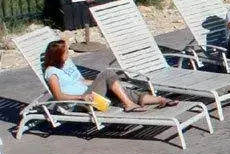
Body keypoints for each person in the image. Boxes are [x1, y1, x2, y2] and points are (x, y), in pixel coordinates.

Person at [40, 39, 173, 112]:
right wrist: (81, 96)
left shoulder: (65, 65)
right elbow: (58, 96)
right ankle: (128, 104)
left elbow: (80, 81)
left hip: (89, 95)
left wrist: (102, 83)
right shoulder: (51, 72)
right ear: (57, 56)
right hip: (80, 103)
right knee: (108, 72)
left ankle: (160, 100)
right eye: (65, 52)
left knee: (119, 88)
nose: (68, 53)